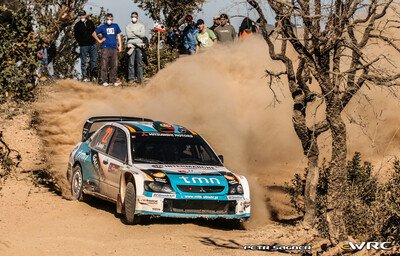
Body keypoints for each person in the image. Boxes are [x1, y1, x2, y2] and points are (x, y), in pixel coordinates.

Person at [92, 13, 122, 86]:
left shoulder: (115, 26)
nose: (109, 20)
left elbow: (118, 35)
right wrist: (99, 40)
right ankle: (103, 81)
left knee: (114, 65)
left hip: (114, 48)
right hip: (105, 48)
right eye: (108, 19)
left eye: (111, 19)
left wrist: (120, 45)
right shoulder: (102, 27)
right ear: (106, 19)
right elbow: (93, 33)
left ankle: (113, 81)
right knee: (104, 65)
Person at [74, 10, 97, 82]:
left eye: (83, 15)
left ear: (85, 15)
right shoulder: (77, 25)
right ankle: (84, 77)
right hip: (83, 46)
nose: (82, 16)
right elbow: (76, 36)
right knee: (83, 61)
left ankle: (93, 76)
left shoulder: (90, 22)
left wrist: (96, 40)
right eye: (80, 15)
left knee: (94, 61)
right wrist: (80, 42)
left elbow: (94, 32)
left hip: (92, 44)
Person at [126, 11, 146, 84]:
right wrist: (138, 34)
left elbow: (143, 35)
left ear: (137, 17)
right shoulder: (128, 26)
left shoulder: (141, 25)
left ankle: (140, 79)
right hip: (131, 46)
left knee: (139, 63)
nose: (134, 18)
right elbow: (129, 35)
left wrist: (134, 32)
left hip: (139, 46)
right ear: (131, 17)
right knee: (131, 63)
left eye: (135, 16)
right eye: (132, 17)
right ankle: (131, 79)